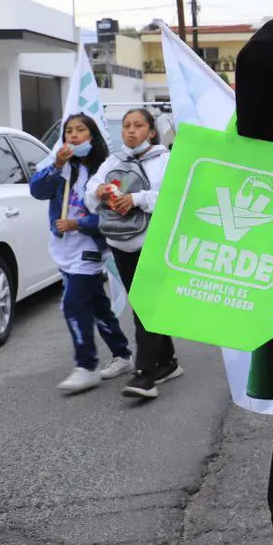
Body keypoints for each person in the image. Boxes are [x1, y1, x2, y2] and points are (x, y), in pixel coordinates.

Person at [29, 113, 133, 393]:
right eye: (69, 131)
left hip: (88, 248)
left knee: (73, 304)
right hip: (63, 247)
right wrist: (56, 164)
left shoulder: (103, 171)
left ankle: (86, 366)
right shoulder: (60, 166)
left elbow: (111, 215)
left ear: (92, 136)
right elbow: (37, 190)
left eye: (80, 130)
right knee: (98, 306)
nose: (73, 136)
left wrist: (79, 223)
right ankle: (122, 354)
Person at [85, 108, 179, 400]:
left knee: (145, 306)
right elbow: (89, 194)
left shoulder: (166, 161)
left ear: (151, 131)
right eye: (126, 126)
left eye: (138, 125)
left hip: (154, 242)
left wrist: (136, 198)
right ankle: (168, 362)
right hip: (121, 243)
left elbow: (174, 196)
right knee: (142, 304)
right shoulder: (113, 161)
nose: (131, 131)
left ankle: (145, 374)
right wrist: (99, 190)